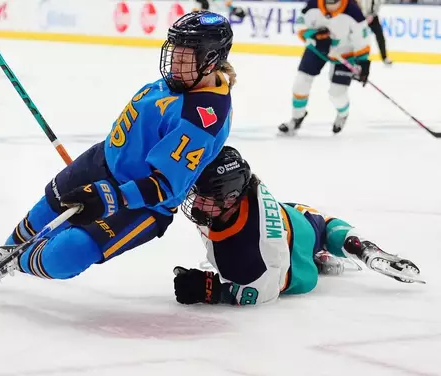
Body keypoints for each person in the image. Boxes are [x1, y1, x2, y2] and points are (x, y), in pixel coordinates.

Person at [0, 11, 237, 282]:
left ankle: (15, 261)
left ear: (210, 60)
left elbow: (164, 185)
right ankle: (8, 251)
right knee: (38, 218)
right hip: (99, 163)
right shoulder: (185, 80)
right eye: (174, 52)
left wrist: (110, 197)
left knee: (68, 254)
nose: (174, 62)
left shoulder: (202, 117)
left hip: (141, 203)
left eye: (184, 57)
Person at [173, 146, 423, 306]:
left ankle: (320, 258)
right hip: (291, 218)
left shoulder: (261, 242)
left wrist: (210, 289)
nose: (195, 202)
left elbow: (262, 293)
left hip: (293, 259)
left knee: (316, 232)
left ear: (228, 197)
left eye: (202, 195)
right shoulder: (232, 199)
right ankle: (353, 247)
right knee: (321, 223)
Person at [279, 0, 371, 135]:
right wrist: (313, 35)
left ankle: (343, 114)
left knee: (337, 93)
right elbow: (300, 25)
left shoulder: (353, 12)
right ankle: (297, 117)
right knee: (300, 83)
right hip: (317, 50)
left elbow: (362, 40)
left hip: (344, 54)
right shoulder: (312, 5)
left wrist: (363, 63)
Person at [358, 0, 392, 65]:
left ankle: (384, 57)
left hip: (373, 17)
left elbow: (378, 3)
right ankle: (356, 57)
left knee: (380, 37)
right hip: (360, 15)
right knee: (358, 37)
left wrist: (372, 14)